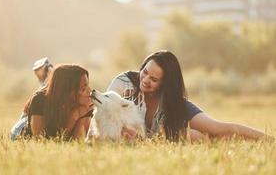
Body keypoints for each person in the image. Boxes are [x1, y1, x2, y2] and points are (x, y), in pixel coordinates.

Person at [107, 50, 268, 141]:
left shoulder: (171, 100)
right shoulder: (123, 83)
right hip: (160, 138)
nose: (145, 80)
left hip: (174, 108)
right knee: (194, 136)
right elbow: (104, 111)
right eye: (145, 71)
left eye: (154, 79)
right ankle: (212, 142)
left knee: (216, 128)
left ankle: (270, 141)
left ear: (165, 83)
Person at [13, 64, 94, 140]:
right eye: (83, 88)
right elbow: (40, 140)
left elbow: (75, 143)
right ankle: (44, 75)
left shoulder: (85, 106)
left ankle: (46, 74)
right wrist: (74, 117)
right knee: (21, 123)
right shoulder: (39, 100)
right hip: (20, 132)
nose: (89, 91)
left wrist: (77, 115)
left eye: (88, 85)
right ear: (67, 90)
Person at [10, 57, 53, 140]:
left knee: (15, 132)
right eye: (36, 71)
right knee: (15, 132)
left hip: (40, 117)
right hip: (29, 119)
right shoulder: (42, 84)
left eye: (39, 70)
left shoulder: (51, 79)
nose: (37, 74)